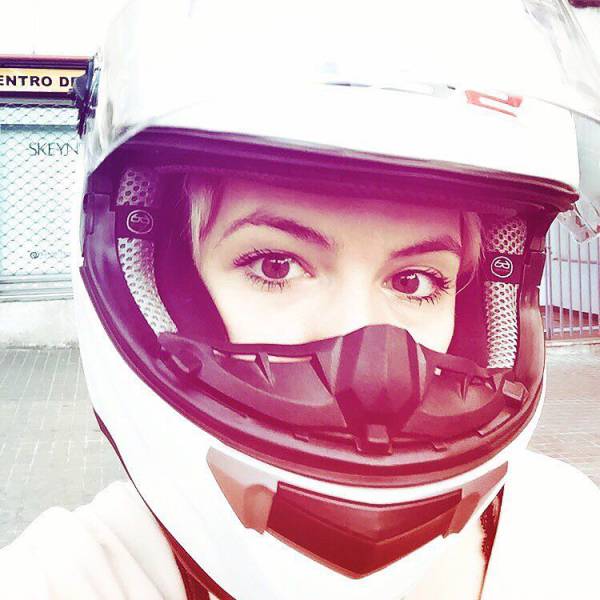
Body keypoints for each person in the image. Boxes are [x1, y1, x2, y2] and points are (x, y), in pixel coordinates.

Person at [2, 1, 600, 599]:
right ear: (166, 283)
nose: (373, 374)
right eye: (276, 266)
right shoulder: (67, 579)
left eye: (415, 281)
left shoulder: (567, 537)